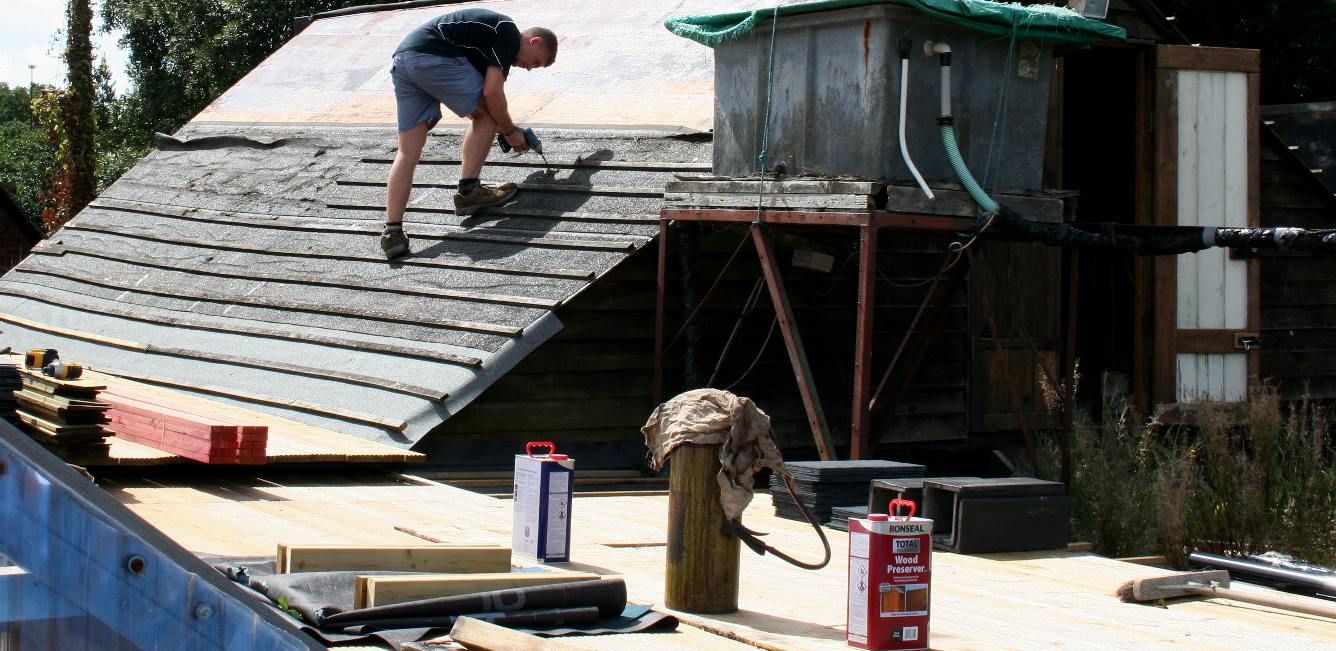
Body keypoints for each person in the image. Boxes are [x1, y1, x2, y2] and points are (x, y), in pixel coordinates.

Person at [381, 8, 557, 259]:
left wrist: (509, 128)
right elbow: (491, 94)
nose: (529, 68)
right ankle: (469, 193)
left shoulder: (483, 46)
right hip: (433, 54)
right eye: (536, 61)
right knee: (485, 115)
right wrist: (509, 130)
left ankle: (392, 233)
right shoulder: (506, 31)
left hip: (405, 59)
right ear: (534, 41)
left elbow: (488, 95)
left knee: (407, 151)